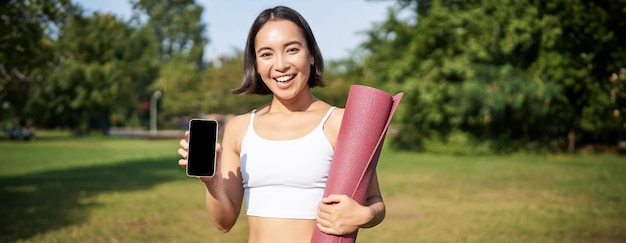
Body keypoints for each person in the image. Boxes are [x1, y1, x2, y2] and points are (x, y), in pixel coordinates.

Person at [177, 5, 385, 242]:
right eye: (266, 54)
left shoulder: (340, 122)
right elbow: (224, 223)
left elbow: (375, 203)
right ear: (255, 64)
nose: (281, 64)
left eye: (292, 50)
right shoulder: (239, 128)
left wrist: (364, 214)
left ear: (312, 55)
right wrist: (212, 183)